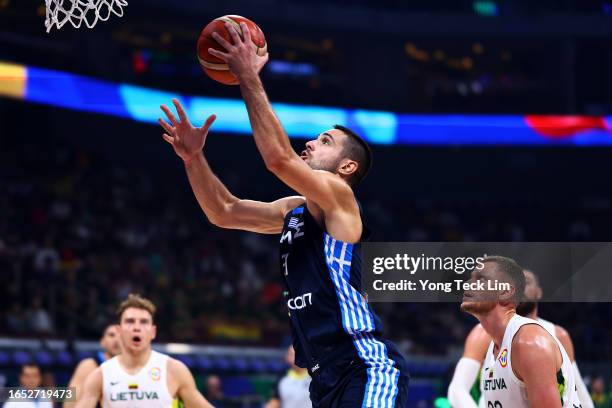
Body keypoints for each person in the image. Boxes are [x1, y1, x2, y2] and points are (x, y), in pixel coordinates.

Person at [158, 20, 409, 407]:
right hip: (323, 376)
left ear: (346, 168)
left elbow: (278, 158)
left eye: (325, 142)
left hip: (365, 365)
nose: (310, 143)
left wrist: (247, 78)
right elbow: (224, 211)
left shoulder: (340, 198)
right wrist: (193, 158)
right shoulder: (294, 211)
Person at [448, 270, 594, 408]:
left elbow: (579, 390)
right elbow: (457, 389)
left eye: (527, 282)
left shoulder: (557, 334)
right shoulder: (484, 332)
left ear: (539, 292)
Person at [76, 294, 213, 408]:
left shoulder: (173, 369)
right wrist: (54, 393)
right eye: (130, 321)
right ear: (103, 340)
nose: (137, 327)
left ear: (153, 332)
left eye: (143, 322)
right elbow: (68, 397)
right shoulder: (90, 366)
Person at [65, 324, 122, 407]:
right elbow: (70, 402)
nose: (116, 340)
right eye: (111, 335)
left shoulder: (134, 367)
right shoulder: (89, 365)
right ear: (102, 342)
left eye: (121, 336)